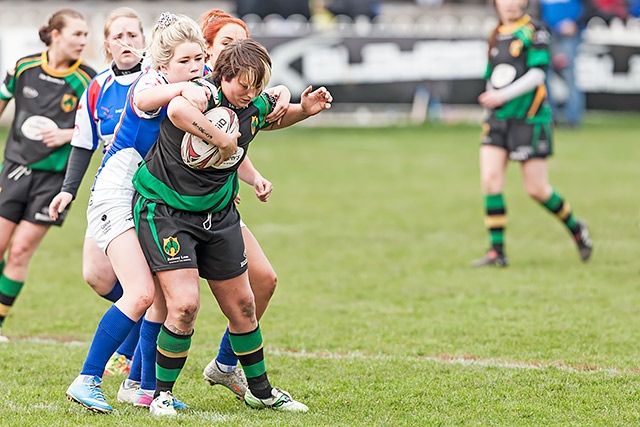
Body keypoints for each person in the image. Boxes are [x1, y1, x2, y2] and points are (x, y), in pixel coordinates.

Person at [131, 38, 332, 416]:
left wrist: (303, 110)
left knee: (243, 305)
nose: (250, 92)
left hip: (218, 214)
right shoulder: (204, 93)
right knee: (185, 305)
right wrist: (220, 139)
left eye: (257, 85)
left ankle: (261, 391)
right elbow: (175, 110)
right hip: (165, 212)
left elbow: (269, 116)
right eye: (243, 84)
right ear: (223, 75)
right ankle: (161, 395)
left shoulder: (251, 101)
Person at [58, 12, 226, 413]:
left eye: (198, 58)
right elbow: (145, 99)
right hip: (114, 196)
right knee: (139, 293)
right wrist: (184, 84)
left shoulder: (187, 85)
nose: (195, 67)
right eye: (183, 60)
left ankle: (140, 387)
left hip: (144, 200)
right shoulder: (151, 82)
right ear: (163, 62)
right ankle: (87, 379)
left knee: (162, 301)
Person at [48, 6, 147, 382]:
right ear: (107, 45)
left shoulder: (157, 81)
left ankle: (132, 362)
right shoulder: (98, 87)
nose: (126, 42)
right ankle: (140, 324)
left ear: (144, 40)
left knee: (144, 285)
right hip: (110, 192)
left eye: (132, 35)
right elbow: (82, 144)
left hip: (150, 194)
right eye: (117, 36)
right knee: (96, 274)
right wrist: (67, 192)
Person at [198, 8, 288, 402]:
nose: (235, 50)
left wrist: (250, 176)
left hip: (220, 210)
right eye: (226, 43)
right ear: (208, 49)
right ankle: (141, 382)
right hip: (171, 209)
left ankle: (224, 365)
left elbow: (238, 142)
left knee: (264, 281)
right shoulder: (192, 90)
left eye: (241, 42)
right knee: (169, 303)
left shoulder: (244, 94)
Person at [471, 0, 593, 267]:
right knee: (491, 181)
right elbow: (494, 76)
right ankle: (497, 252)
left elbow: (538, 75)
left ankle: (576, 229)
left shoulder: (536, 31)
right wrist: (491, 96)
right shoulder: (494, 34)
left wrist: (501, 95)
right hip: (498, 120)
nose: (510, 4)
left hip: (530, 118)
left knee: (537, 190)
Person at [0, 8, 96, 343]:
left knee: (21, 250)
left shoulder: (88, 80)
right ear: (55, 34)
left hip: (54, 179)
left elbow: (100, 128)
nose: (84, 41)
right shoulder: (24, 67)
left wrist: (67, 135)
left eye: (86, 35)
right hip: (14, 168)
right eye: (77, 34)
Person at [536, 0, 593, 127]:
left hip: (569, 36)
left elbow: (590, 8)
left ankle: (573, 118)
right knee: (545, 75)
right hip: (548, 34)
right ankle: (550, 116)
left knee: (569, 76)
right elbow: (538, 11)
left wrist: (575, 24)